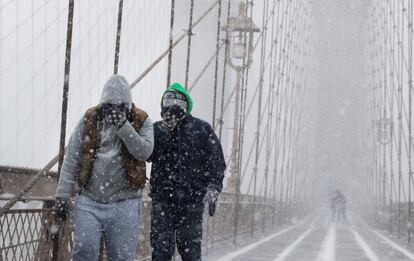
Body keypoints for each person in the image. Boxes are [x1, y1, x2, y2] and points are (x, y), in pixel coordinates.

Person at [54, 74, 154, 261]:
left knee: (122, 256)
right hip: (90, 200)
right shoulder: (90, 118)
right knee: (84, 252)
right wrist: (62, 195)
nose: (114, 111)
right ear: (102, 104)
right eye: (109, 106)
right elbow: (72, 158)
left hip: (126, 201)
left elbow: (145, 152)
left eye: (120, 107)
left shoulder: (141, 119)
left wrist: (124, 126)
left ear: (128, 105)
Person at [148, 82, 226, 261]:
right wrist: (165, 132)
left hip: (191, 203)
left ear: (187, 105)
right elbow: (147, 156)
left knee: (190, 253)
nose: (172, 108)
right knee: (160, 253)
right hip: (163, 202)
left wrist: (213, 189)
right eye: (168, 103)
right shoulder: (156, 129)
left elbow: (217, 162)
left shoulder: (202, 129)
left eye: (178, 103)